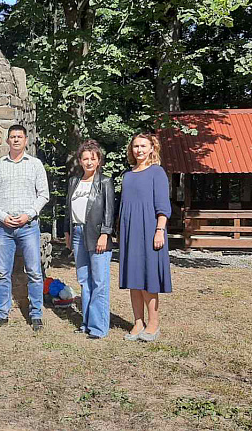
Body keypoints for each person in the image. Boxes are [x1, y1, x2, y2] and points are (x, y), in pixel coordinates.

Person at [0, 124, 50, 332]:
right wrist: (2, 216)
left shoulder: (35, 164)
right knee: (3, 272)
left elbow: (43, 194)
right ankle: (2, 314)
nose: (15, 140)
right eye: (12, 137)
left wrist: (28, 215)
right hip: (4, 228)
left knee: (34, 272)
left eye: (19, 137)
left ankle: (36, 314)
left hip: (28, 226)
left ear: (25, 140)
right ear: (7, 140)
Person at [119, 133, 172, 342]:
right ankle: (138, 321)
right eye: (135, 146)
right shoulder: (128, 175)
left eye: (143, 146)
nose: (139, 150)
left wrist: (160, 230)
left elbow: (162, 206)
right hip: (130, 232)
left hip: (150, 230)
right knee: (134, 278)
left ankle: (153, 323)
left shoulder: (157, 173)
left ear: (152, 148)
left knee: (149, 279)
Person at [64, 140, 115, 339]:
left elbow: (109, 212)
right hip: (77, 234)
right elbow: (68, 209)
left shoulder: (105, 182)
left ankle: (98, 327)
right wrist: (67, 233)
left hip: (97, 235)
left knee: (99, 281)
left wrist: (105, 234)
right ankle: (86, 323)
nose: (89, 162)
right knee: (84, 280)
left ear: (99, 160)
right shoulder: (73, 182)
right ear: (79, 161)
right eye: (85, 159)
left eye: (93, 159)